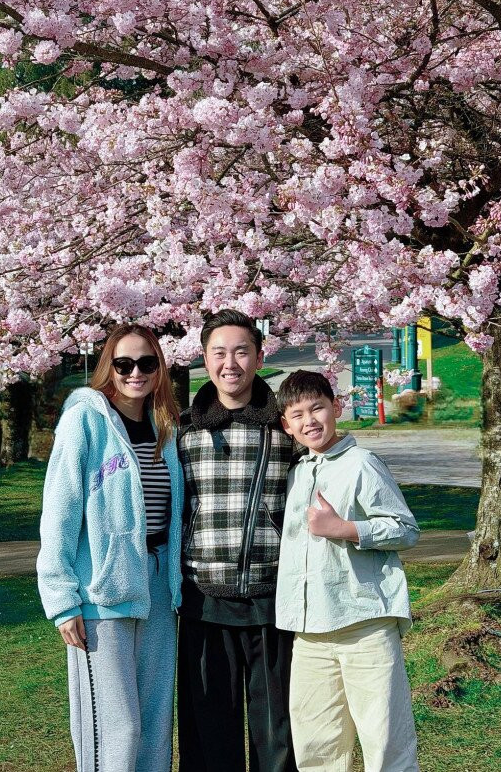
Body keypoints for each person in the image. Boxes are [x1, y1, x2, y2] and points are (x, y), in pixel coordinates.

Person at [36, 323, 183, 772]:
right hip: (101, 595)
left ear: (159, 368)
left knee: (154, 723)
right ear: (109, 368)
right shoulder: (85, 420)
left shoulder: (166, 427)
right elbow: (59, 512)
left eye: (146, 363)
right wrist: (62, 601)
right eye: (124, 364)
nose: (135, 373)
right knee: (117, 728)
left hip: (159, 590)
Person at [275, 369, 421, 772]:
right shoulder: (296, 472)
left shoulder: (362, 464)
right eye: (298, 415)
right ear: (287, 426)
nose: (310, 421)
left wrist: (345, 529)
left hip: (364, 625)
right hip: (309, 631)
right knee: (316, 745)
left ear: (336, 407)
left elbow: (406, 529)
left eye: (317, 408)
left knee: (384, 740)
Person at [177, 308, 297, 772]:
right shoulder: (182, 430)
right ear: (204, 359)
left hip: (273, 599)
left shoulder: (286, 428)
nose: (231, 364)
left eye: (242, 352)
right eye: (219, 353)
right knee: (209, 735)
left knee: (279, 733)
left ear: (260, 357)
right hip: (203, 600)